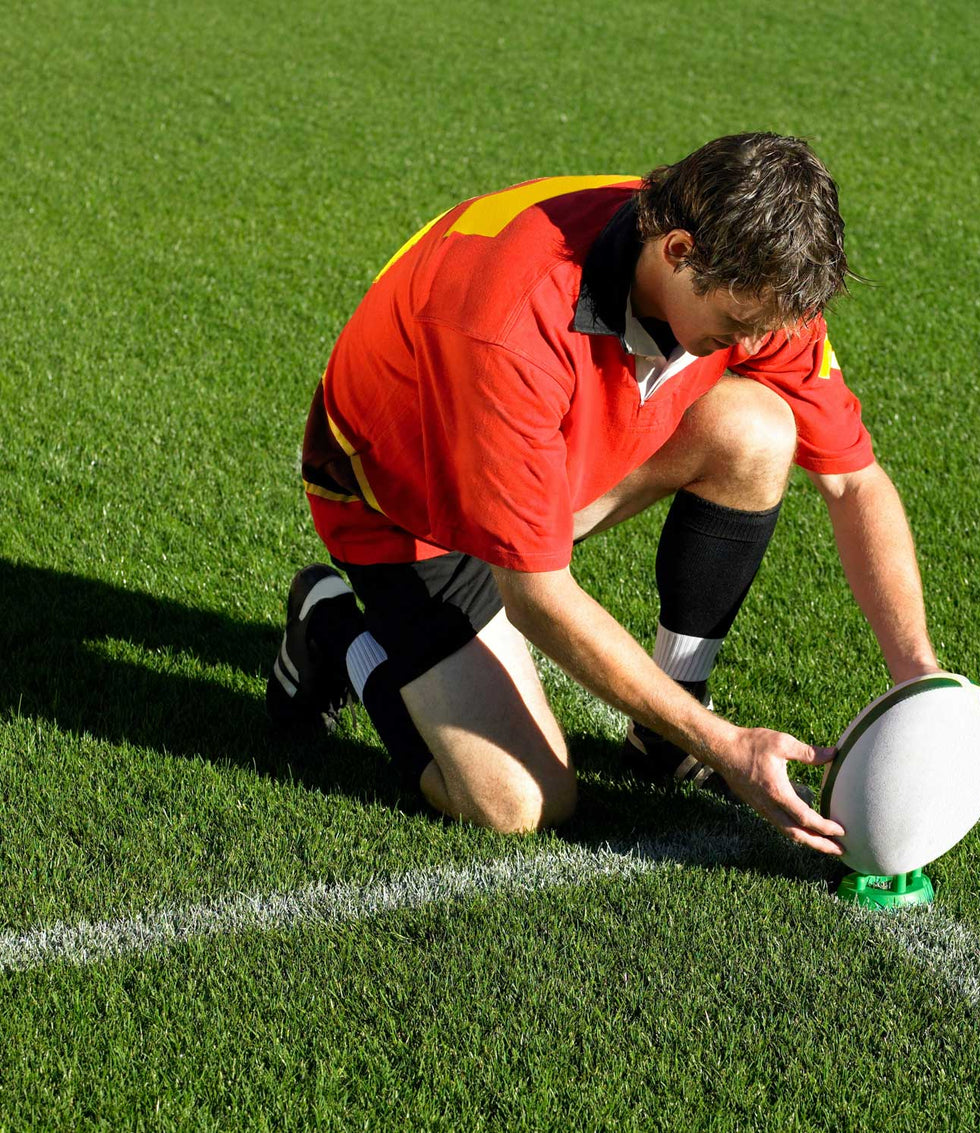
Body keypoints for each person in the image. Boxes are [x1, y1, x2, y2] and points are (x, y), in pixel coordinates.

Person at [267, 133, 939, 854]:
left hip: (546, 463)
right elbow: (535, 593)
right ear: (677, 252)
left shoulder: (749, 275)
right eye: (738, 326)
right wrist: (722, 744)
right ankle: (337, 631)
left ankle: (662, 736)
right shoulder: (508, 322)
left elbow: (852, 479)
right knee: (518, 801)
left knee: (758, 429)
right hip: (406, 508)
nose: (758, 343)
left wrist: (919, 679)